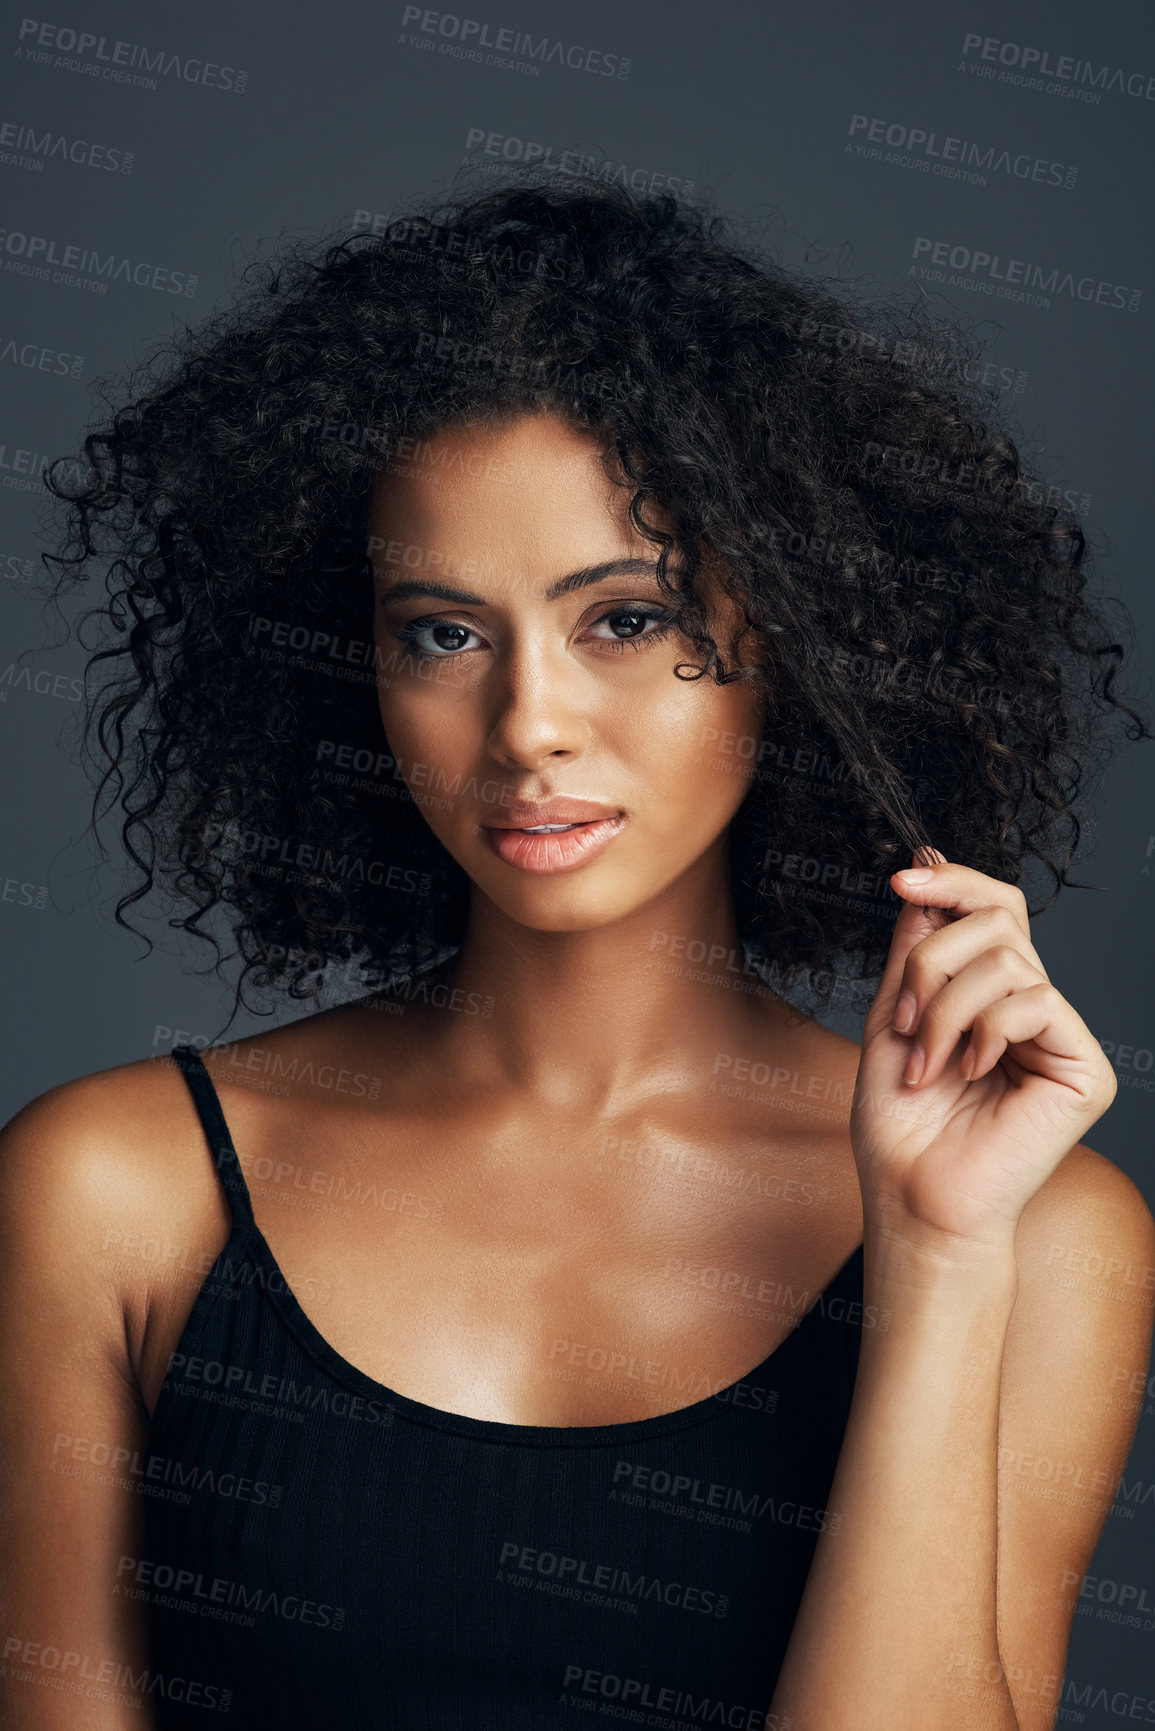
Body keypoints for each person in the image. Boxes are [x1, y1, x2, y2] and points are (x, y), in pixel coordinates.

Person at [1, 174, 1152, 1731]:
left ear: (797, 637)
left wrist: (939, 1264)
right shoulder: (116, 1192)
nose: (529, 726)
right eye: (443, 632)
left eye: (623, 618)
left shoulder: (1042, 1236)